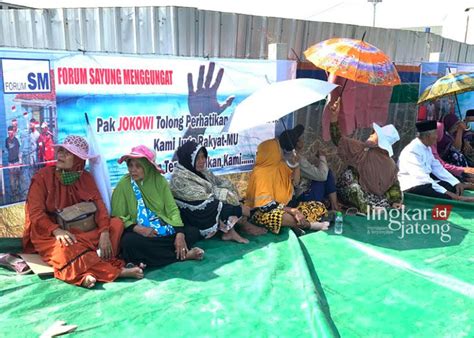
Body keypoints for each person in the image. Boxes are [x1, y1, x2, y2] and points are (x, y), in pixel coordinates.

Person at [22, 135, 144, 288]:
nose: (60, 155)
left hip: (86, 230)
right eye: (60, 151)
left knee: (117, 223)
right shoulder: (42, 177)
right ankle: (115, 271)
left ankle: (87, 271)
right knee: (66, 249)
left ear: (79, 159)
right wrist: (56, 231)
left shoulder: (85, 177)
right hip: (53, 233)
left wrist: (104, 232)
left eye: (67, 153)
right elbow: (35, 213)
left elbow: (100, 207)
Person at [112, 145, 205, 268]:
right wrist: (138, 228)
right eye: (130, 165)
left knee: (192, 232)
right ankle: (181, 256)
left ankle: (152, 258)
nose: (133, 170)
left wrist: (179, 234)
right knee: (129, 242)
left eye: (138, 166)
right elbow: (117, 216)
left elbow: (172, 209)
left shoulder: (160, 181)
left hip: (163, 229)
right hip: (140, 233)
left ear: (148, 167)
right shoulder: (124, 184)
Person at [169, 141, 256, 244]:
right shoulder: (179, 177)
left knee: (226, 191)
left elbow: (217, 182)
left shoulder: (202, 171)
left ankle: (235, 227)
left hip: (202, 203)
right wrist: (230, 198)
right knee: (216, 204)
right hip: (192, 213)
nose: (202, 161)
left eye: (203, 157)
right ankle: (237, 224)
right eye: (198, 158)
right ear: (188, 159)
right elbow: (200, 196)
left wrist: (228, 189)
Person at [329, 98, 403, 213]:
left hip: (371, 199)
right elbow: (340, 141)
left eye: (374, 134)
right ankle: (369, 208)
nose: (371, 135)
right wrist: (334, 117)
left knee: (349, 178)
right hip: (366, 198)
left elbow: (394, 185)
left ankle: (368, 209)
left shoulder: (385, 161)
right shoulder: (363, 150)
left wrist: (396, 201)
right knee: (350, 177)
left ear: (379, 141)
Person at [245, 136, 330, 236]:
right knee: (281, 217)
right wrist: (292, 211)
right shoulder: (260, 172)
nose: (281, 152)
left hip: (287, 206)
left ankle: (295, 225)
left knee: (318, 206)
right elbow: (266, 207)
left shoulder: (279, 166)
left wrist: (296, 164)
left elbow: (295, 182)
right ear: (270, 152)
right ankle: (310, 225)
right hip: (263, 213)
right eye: (278, 149)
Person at [398, 120, 473, 201]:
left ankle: (456, 191)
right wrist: (447, 193)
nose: (437, 137)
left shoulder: (427, 147)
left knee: (451, 186)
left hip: (426, 182)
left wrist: (455, 182)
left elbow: (437, 167)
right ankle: (459, 198)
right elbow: (422, 178)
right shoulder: (412, 150)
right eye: (435, 134)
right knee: (444, 196)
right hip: (414, 184)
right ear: (428, 136)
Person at [279, 124, 340, 210]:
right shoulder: (297, 159)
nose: (303, 140)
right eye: (300, 138)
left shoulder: (285, 157)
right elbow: (322, 176)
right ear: (297, 143)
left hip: (294, 196)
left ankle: (333, 205)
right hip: (304, 197)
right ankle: (335, 206)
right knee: (327, 173)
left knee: (324, 172)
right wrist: (322, 157)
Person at [5, 125, 21, 202]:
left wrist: (20, 161)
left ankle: (18, 191)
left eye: (11, 132)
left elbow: (19, 151)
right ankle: (13, 192)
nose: (10, 134)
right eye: (9, 132)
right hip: (10, 162)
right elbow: (7, 148)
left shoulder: (16, 140)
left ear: (13, 133)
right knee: (11, 178)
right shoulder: (6, 140)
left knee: (17, 176)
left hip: (16, 161)